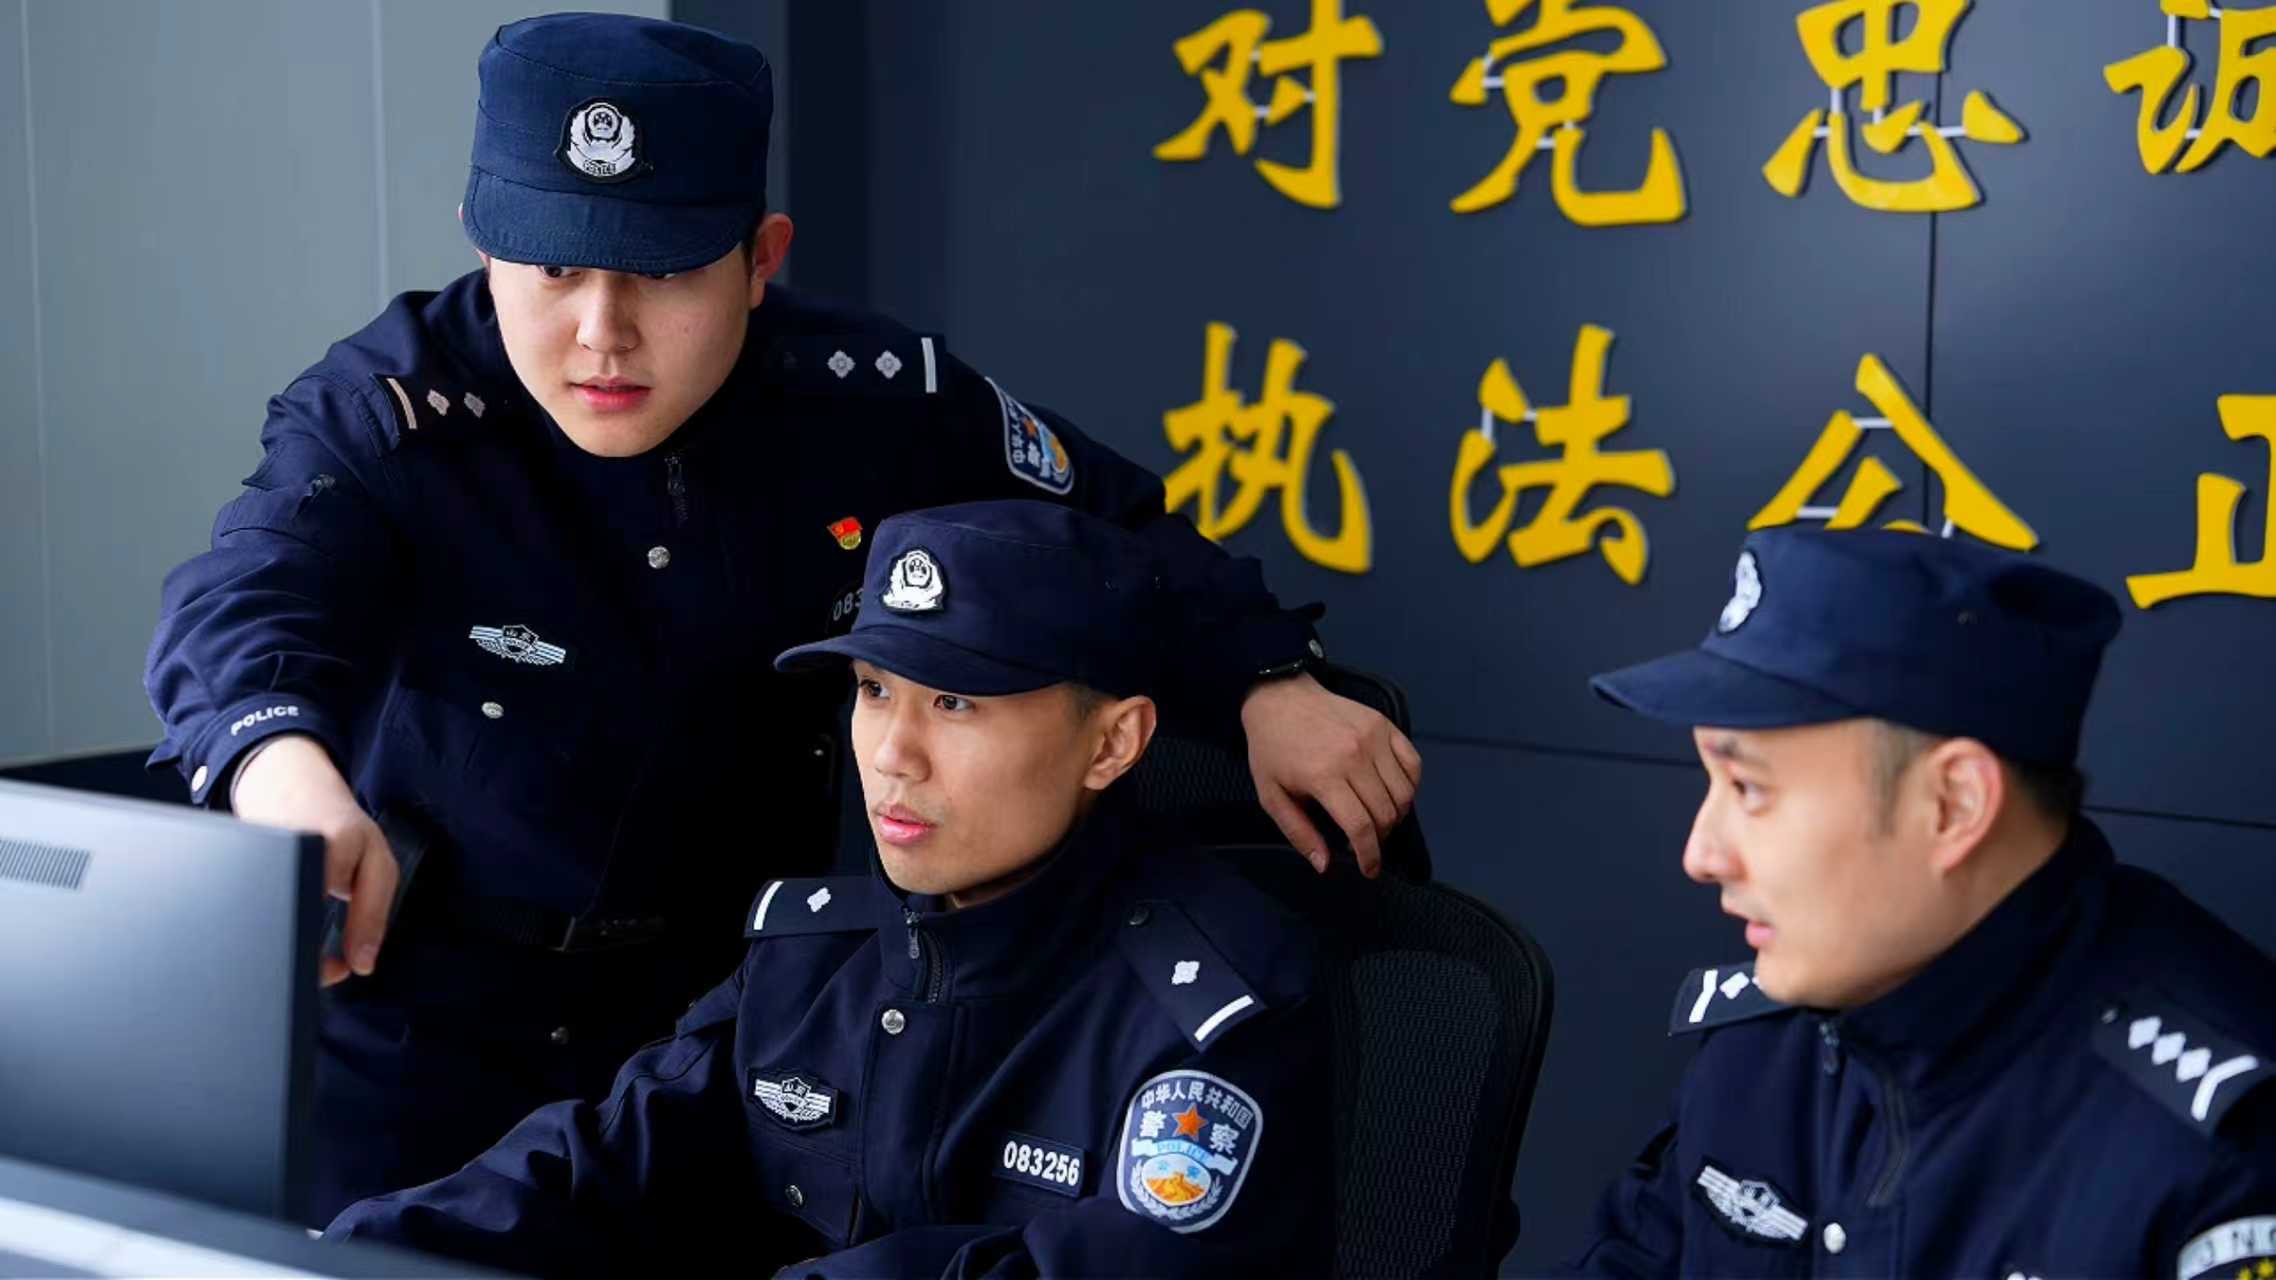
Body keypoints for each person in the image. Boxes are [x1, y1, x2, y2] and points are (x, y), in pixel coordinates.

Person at [140, 13, 1418, 1223]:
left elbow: (1115, 530)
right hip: (418, 1015)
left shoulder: (866, 402)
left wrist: (1267, 677)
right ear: (484, 244)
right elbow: (244, 592)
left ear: (761, 259)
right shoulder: (396, 408)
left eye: (660, 272)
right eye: (553, 268)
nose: (600, 334)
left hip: (716, 1022)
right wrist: (282, 772)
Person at [326, 500, 1334, 1279]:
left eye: (954, 702)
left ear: (1112, 743)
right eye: (873, 690)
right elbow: (603, 1161)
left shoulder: (1216, 1011)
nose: (892, 753)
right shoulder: (815, 953)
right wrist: (339, 1257)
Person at [1567, 527, 2276, 1278]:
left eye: (1748, 788)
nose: (1702, 854)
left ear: (1953, 805)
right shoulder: (1766, 1040)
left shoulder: (2218, 1150)